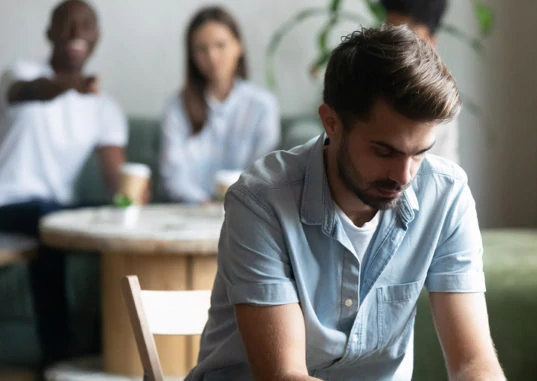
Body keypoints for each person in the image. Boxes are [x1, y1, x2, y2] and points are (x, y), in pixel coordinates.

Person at [186, 25, 504, 380]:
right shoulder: (262, 202)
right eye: (384, 151)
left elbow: (473, 362)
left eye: (420, 154)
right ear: (332, 122)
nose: (404, 176)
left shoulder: (445, 195)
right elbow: (282, 375)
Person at [0, 0, 128, 366]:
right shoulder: (19, 74)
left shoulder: (103, 107)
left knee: (109, 227)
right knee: (49, 223)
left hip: (53, 212)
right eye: (67, 24)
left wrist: (129, 194)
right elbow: (30, 91)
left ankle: (99, 348)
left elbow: (115, 174)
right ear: (49, 33)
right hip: (7, 204)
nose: (76, 33)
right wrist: (72, 84)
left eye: (85, 25)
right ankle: (57, 357)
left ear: (96, 36)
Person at [160, 6, 280, 204]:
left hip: (247, 209)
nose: (212, 57)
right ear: (192, 56)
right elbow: (172, 175)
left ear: (238, 46)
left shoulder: (262, 105)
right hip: (191, 211)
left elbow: (263, 171)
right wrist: (202, 202)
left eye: (220, 45)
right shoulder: (177, 106)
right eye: (201, 49)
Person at [381, 0, 460, 164]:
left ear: (431, 42)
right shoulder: (364, 83)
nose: (395, 47)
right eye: (389, 32)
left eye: (408, 37)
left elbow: (447, 173)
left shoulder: (440, 102)